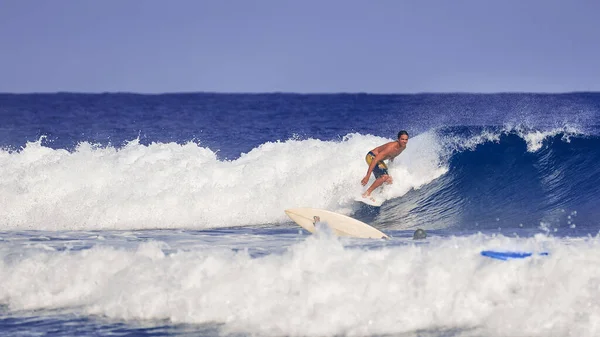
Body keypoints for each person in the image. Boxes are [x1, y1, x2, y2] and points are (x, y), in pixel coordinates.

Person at [361, 131, 409, 200]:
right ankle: (367, 193)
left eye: (406, 139)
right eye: (402, 139)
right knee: (384, 177)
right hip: (372, 157)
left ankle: (376, 194)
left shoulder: (403, 147)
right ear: (398, 139)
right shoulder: (390, 148)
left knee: (389, 180)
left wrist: (389, 167)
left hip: (379, 160)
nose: (404, 141)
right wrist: (367, 176)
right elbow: (375, 160)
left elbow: (392, 156)